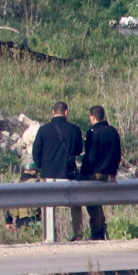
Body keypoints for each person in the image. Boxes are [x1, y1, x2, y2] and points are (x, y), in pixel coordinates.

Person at [31, 101, 84, 240]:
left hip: (49, 175)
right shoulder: (75, 129)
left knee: (49, 205)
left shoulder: (43, 130)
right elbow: (79, 150)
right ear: (66, 112)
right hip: (68, 173)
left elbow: (35, 152)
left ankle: (50, 236)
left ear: (53, 112)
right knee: (75, 204)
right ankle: (78, 234)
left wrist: (42, 166)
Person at [78, 104, 122, 241]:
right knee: (97, 202)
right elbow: (117, 153)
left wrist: (82, 173)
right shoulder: (113, 131)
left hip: (94, 172)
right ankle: (102, 229)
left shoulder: (92, 132)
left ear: (92, 117)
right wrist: (114, 172)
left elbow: (90, 156)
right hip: (108, 173)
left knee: (92, 203)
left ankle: (98, 231)